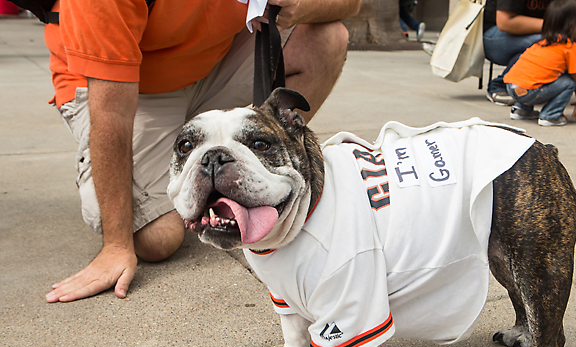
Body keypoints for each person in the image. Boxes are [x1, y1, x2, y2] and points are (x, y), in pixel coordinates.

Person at [44, 0, 361, 304]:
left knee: (327, 37)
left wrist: (298, 5)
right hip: (126, 85)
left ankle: (270, 178)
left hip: (208, 61)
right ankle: (178, 155)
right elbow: (112, 112)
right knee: (158, 239)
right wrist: (116, 245)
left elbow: (350, 2)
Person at [482, 0, 576, 106]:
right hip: (496, 37)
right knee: (548, 42)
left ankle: (538, 88)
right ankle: (502, 84)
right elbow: (505, 22)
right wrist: (554, 29)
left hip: (546, 33)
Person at [504, 0, 576, 126]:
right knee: (569, 83)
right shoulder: (570, 47)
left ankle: (521, 110)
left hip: (511, 87)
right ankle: (550, 115)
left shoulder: (540, 43)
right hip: (529, 92)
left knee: (532, 76)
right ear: (572, 26)